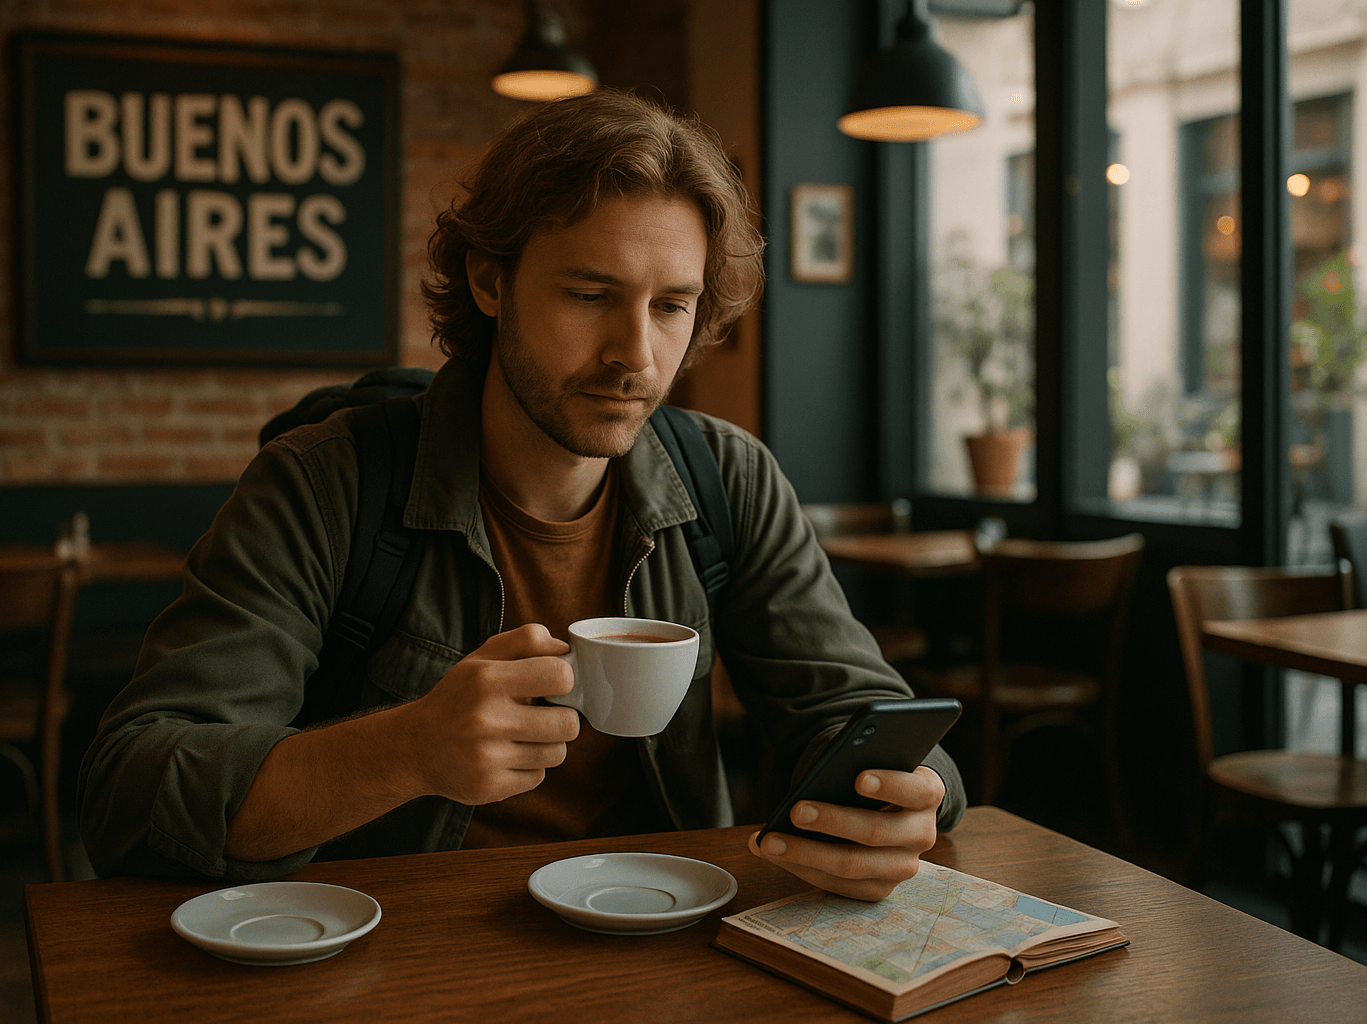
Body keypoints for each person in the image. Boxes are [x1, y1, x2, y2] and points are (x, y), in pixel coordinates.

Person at [79, 89, 965, 899]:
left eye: (670, 307)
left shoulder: (728, 479)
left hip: (664, 942)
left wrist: (906, 797)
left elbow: (860, 716)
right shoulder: (322, 483)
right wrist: (408, 748)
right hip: (396, 956)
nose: (636, 355)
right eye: (590, 294)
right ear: (489, 279)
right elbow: (134, 791)